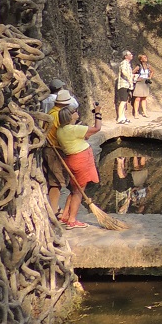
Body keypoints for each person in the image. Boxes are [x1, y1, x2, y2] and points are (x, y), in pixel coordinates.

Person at [56, 103, 102, 228]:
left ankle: (65, 215)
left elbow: (83, 136)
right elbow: (97, 128)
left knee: (74, 189)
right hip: (81, 161)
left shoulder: (61, 130)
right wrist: (97, 112)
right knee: (78, 192)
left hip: (71, 160)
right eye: (75, 111)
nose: (77, 113)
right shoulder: (74, 129)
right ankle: (72, 220)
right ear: (70, 117)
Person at [40, 83, 77, 219]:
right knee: (55, 182)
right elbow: (61, 134)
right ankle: (53, 211)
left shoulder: (52, 113)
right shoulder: (57, 116)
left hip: (51, 149)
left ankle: (54, 207)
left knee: (55, 181)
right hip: (55, 150)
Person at [115, 50, 134, 124]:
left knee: (125, 101)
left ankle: (123, 117)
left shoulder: (128, 64)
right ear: (126, 56)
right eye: (130, 54)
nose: (132, 55)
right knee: (123, 101)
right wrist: (129, 77)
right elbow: (123, 71)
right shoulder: (124, 63)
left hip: (127, 84)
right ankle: (120, 118)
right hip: (123, 84)